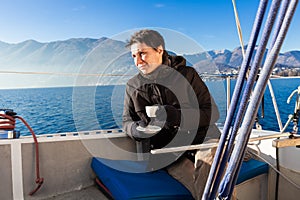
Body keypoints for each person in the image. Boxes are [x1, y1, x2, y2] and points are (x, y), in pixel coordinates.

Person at [122, 29, 220, 199]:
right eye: (133, 56)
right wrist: (139, 131)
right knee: (199, 183)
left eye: (142, 54)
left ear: (159, 50)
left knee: (210, 170)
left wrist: (176, 116)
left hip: (204, 140)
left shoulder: (188, 75)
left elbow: (212, 113)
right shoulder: (133, 86)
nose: (137, 61)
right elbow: (127, 122)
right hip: (169, 152)